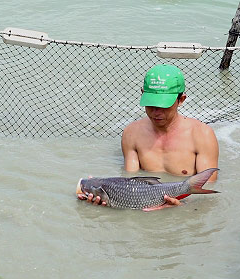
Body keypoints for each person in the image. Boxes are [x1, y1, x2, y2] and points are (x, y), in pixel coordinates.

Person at [78, 64, 219, 211]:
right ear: (142, 94)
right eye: (150, 104)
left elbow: (209, 196)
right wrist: (102, 194)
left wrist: (180, 206)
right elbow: (129, 182)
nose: (156, 112)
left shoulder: (202, 135)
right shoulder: (132, 133)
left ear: (181, 99)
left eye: (164, 105)